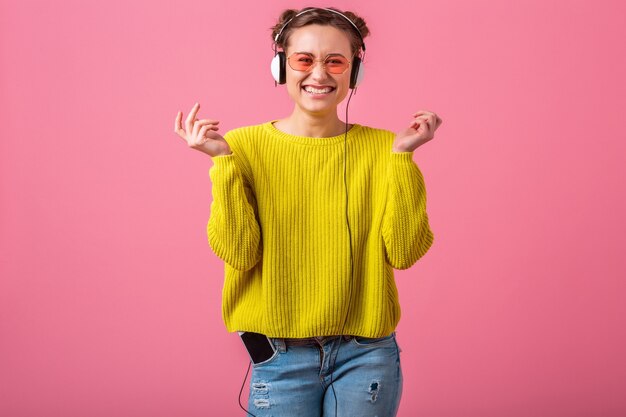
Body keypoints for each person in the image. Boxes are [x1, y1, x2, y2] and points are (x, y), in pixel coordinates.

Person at [174, 7, 442, 417]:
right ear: (281, 65)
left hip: (366, 354)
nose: (319, 74)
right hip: (281, 359)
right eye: (305, 60)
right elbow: (240, 253)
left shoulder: (386, 149)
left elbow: (405, 253)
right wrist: (223, 164)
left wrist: (403, 158)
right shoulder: (241, 148)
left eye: (335, 61)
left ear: (355, 72)